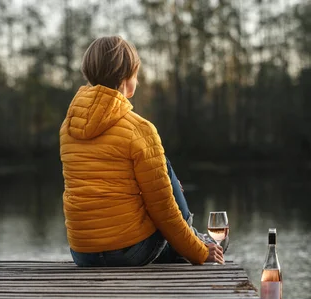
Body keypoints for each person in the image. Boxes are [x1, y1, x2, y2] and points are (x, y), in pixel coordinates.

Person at [60, 36, 224, 267]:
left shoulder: (68, 127)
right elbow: (164, 211)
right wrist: (198, 252)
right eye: (136, 75)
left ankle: (188, 242)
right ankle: (195, 239)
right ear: (126, 79)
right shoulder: (140, 129)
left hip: (83, 254)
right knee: (161, 168)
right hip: (128, 253)